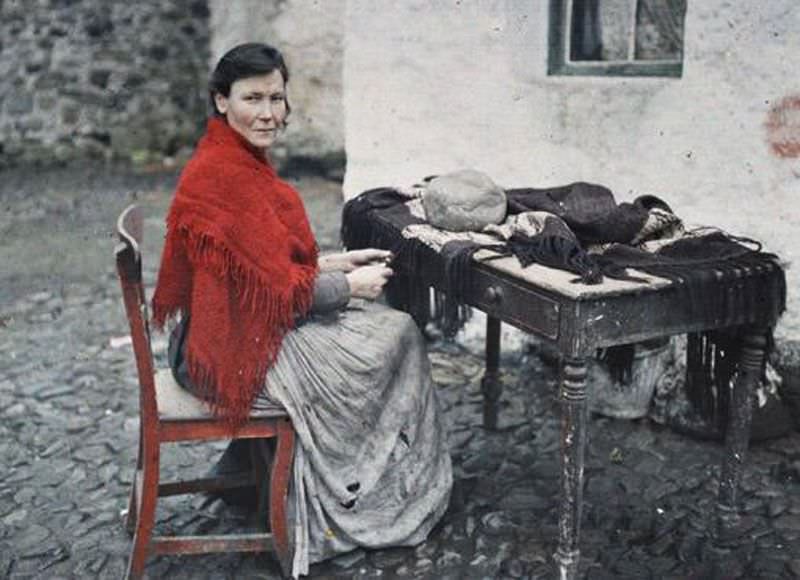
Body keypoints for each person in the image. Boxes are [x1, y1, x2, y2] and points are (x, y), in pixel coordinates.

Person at [151, 43, 452, 578]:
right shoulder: (222, 174)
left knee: (385, 328)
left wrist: (339, 260)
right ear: (222, 101)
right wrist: (349, 286)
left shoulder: (234, 160)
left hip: (223, 332)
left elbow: (262, 267)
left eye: (276, 98)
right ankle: (352, 505)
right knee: (397, 333)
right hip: (221, 353)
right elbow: (268, 294)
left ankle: (343, 480)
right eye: (252, 98)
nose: (269, 113)